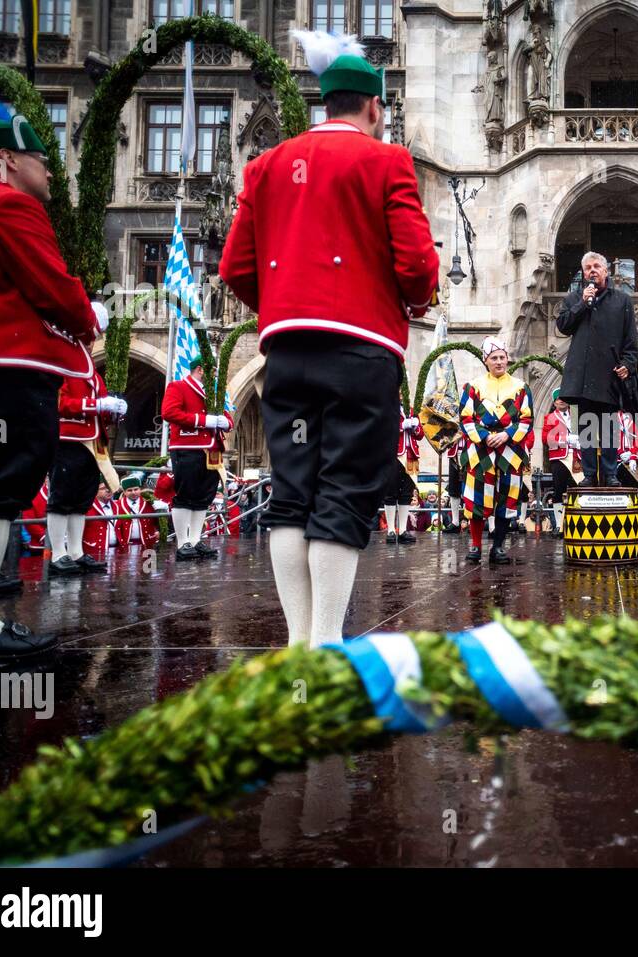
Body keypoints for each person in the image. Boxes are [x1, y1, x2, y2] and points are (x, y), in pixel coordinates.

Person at [219, 30, 439, 645]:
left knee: (291, 490)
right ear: (374, 107)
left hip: (287, 350)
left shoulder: (265, 166)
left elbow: (235, 267)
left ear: (326, 102)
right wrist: (417, 302)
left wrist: (287, 306)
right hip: (361, 350)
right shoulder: (386, 160)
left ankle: (297, 643)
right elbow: (418, 264)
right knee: (342, 488)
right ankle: (326, 643)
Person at [0, 80, 107, 661]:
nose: (50, 174)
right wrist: (89, 314)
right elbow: (51, 288)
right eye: (42, 161)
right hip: (3, 367)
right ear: (8, 161)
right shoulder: (8, 205)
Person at [555, 251, 638, 486]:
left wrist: (627, 365)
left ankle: (611, 474)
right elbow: (563, 325)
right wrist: (583, 303)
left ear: (606, 271)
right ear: (584, 273)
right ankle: (590, 474)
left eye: (596, 267)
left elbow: (630, 341)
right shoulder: (573, 299)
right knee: (587, 427)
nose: (592, 271)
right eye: (588, 268)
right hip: (582, 376)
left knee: (610, 427)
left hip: (609, 374)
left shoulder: (622, 301)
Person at [459, 337, 534, 565]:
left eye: (502, 357)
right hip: (480, 452)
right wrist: (484, 436)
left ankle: (498, 546)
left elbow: (527, 418)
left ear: (507, 359)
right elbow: (465, 418)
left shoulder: (521, 387)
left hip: (510, 451)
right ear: (486, 360)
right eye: (494, 358)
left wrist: (507, 434)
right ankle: (475, 546)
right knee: (477, 499)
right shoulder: (473, 386)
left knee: (507, 500)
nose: (499, 362)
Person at [47, 366, 125, 575]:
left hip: (93, 442)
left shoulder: (94, 374)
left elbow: (100, 415)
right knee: (62, 498)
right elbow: (60, 403)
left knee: (81, 501)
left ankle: (75, 552)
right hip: (68, 439)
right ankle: (57, 554)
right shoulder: (64, 368)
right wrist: (95, 405)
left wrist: (113, 411)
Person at [161, 356, 233, 560]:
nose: (216, 375)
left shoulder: (213, 394)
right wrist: (204, 421)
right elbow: (169, 413)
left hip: (211, 450)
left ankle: (194, 539)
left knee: (204, 496)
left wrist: (224, 423)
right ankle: (183, 542)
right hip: (187, 447)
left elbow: (228, 419)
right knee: (186, 494)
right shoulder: (178, 387)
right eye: (213, 371)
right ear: (200, 370)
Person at [542, 388, 581, 537]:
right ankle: (559, 524)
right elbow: (546, 439)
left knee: (578, 489)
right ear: (554, 402)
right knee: (559, 490)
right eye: (558, 399)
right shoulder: (549, 417)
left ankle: (575, 523)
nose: (561, 401)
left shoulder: (577, 416)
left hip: (577, 457)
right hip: (559, 458)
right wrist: (565, 440)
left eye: (563, 398)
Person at [383, 402, 423, 544]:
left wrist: (416, 426)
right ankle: (391, 530)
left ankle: (403, 529)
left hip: (411, 456)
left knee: (407, 493)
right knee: (390, 492)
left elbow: (420, 435)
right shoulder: (387, 407)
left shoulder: (413, 410)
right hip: (394, 455)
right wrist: (401, 426)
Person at [114, 473, 160, 550]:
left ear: (140, 489)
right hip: (125, 545)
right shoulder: (117, 505)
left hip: (147, 543)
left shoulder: (150, 503)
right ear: (124, 492)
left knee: (148, 562)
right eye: (129, 490)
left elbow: (158, 521)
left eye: (136, 489)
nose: (133, 492)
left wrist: (158, 531)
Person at [82, 482, 117, 564]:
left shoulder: (117, 506)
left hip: (116, 553)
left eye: (110, 486)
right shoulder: (86, 507)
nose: (108, 490)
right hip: (93, 553)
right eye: (103, 488)